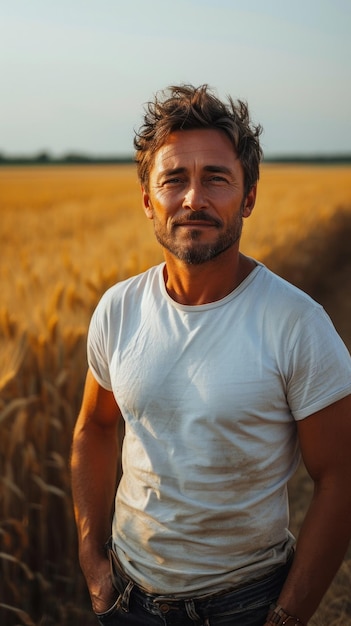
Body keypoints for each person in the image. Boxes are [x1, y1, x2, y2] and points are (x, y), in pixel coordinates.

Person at [71, 84, 351, 626]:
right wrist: (92, 561)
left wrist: (288, 616)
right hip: (127, 598)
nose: (193, 198)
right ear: (148, 198)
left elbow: (342, 476)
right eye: (173, 179)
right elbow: (95, 427)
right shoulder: (118, 308)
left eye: (216, 179)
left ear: (247, 197)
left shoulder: (297, 324)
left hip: (246, 604)